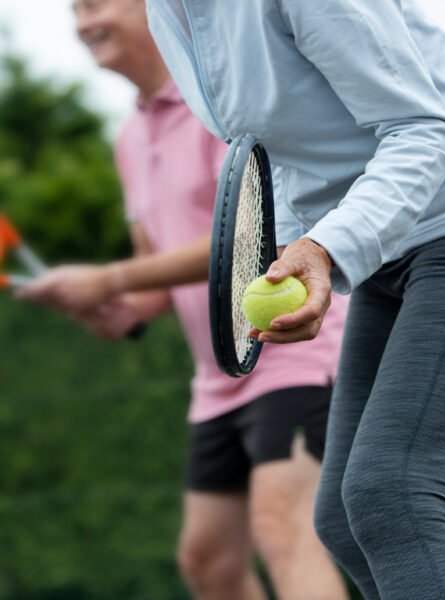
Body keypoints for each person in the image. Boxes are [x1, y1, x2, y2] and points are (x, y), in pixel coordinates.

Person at [137, 1, 445, 599]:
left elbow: (423, 130)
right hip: (390, 255)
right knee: (341, 518)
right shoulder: (172, 11)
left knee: (388, 493)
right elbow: (283, 151)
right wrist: (294, 248)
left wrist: (327, 248)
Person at [20, 1, 350, 599]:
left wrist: (110, 279)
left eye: (94, 4)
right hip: (216, 380)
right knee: (208, 560)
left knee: (286, 531)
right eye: (73, 10)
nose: (82, 23)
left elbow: (257, 234)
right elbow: (156, 274)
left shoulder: (221, 102)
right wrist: (117, 308)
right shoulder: (128, 137)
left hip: (294, 351)